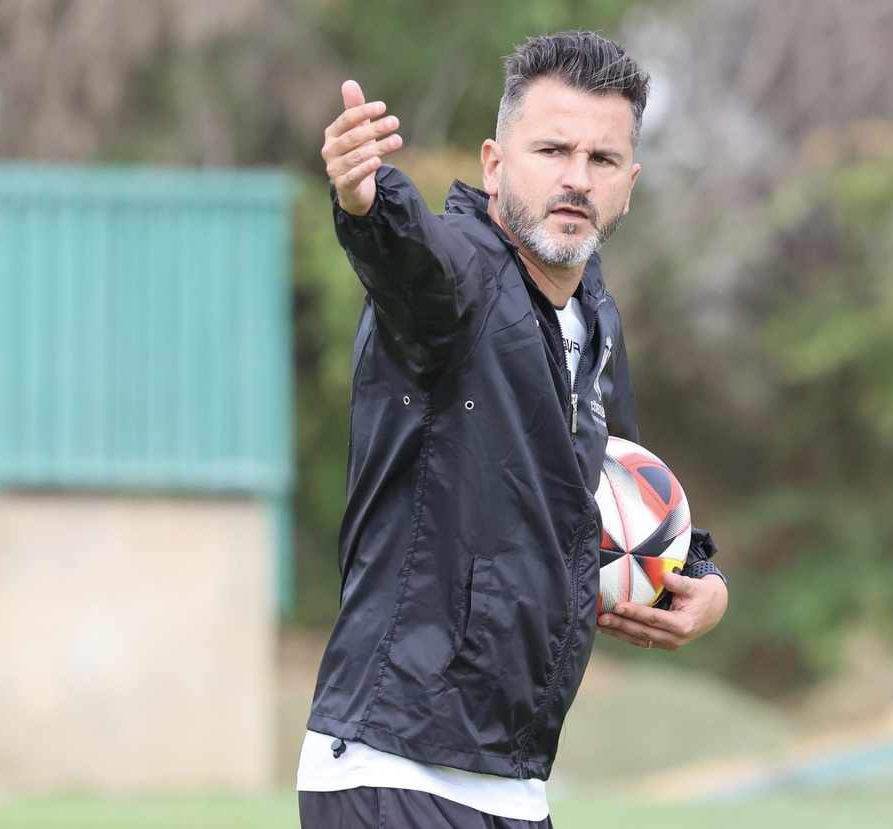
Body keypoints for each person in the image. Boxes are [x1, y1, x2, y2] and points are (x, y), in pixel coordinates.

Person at [299, 31, 729, 829]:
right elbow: (412, 259)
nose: (577, 178)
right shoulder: (461, 275)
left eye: (602, 159)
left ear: (629, 186)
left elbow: (619, 488)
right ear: (495, 165)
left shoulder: (595, 322)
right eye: (553, 150)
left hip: (512, 784)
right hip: (394, 768)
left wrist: (698, 579)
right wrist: (365, 199)